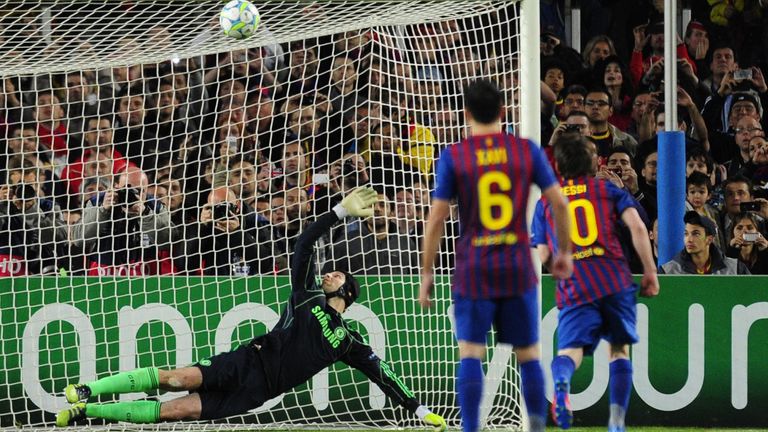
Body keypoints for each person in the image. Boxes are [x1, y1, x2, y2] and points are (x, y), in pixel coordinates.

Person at [56, 187, 447, 431]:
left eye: (337, 275)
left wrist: (419, 410)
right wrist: (338, 213)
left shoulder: (348, 341)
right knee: (175, 378)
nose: (328, 274)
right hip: (247, 362)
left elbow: (383, 374)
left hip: (258, 392)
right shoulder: (306, 296)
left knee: (176, 412)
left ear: (347, 290)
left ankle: (88, 412)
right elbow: (303, 245)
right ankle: (90, 389)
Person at [418, 79, 573, 432]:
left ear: (466, 114)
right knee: (528, 353)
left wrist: (427, 273)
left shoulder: (454, 155)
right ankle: (536, 427)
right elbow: (560, 204)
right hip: (517, 265)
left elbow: (436, 219)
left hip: (474, 268)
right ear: (504, 111)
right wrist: (563, 252)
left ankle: (471, 429)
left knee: (471, 351)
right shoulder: (525, 150)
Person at [531, 135, 660, 432]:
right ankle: (616, 420)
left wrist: (557, 267)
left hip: (576, 282)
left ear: (559, 166)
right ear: (594, 163)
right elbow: (638, 226)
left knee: (569, 351)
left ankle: (561, 382)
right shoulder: (608, 190)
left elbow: (543, 254)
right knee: (618, 350)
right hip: (613, 276)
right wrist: (650, 270)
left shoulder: (546, 202)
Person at [661, 211, 751, 275]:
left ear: (709, 239)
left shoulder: (736, 268)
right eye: (686, 234)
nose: (689, 239)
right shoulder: (668, 271)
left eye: (696, 234)